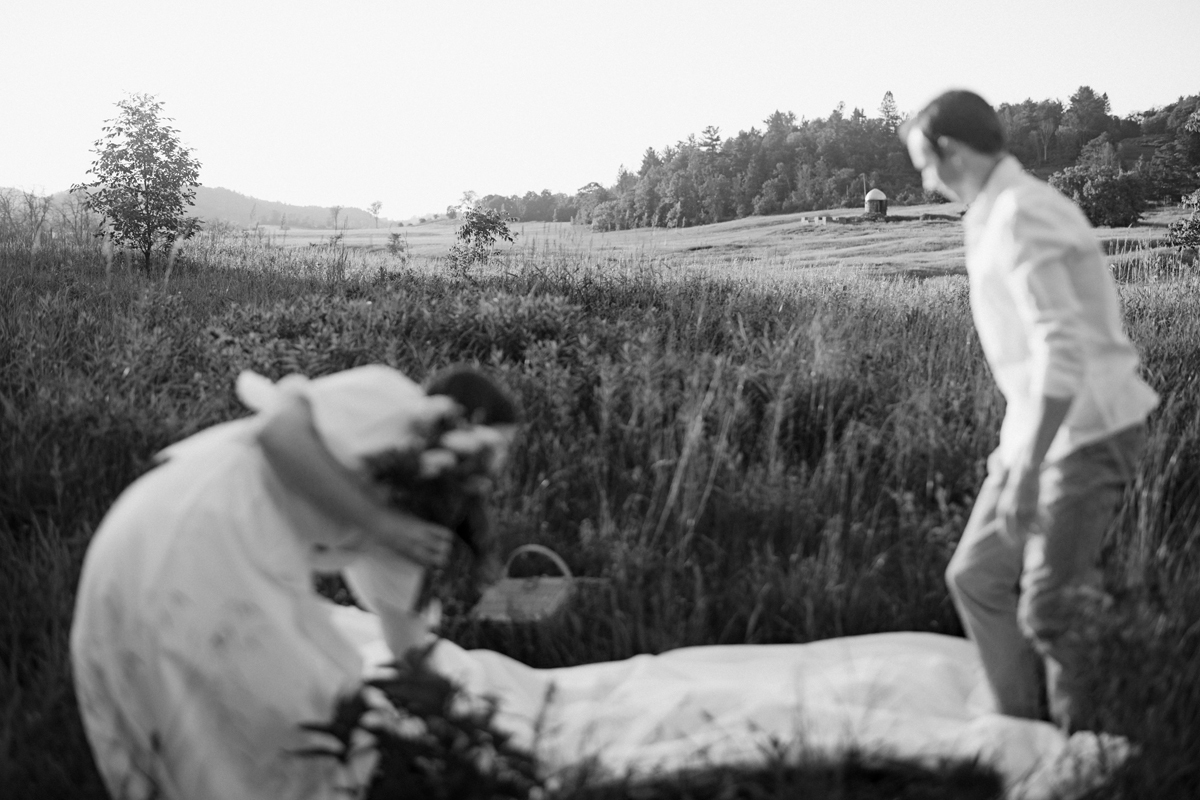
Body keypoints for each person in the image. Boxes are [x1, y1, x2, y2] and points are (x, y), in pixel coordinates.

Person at [70, 363, 518, 800]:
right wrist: (376, 521)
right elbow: (278, 434)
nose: (490, 475)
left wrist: (450, 727)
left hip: (243, 553)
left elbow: (407, 644)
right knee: (276, 709)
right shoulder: (392, 400)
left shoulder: (417, 517)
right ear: (457, 422)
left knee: (297, 718)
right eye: (493, 451)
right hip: (202, 511)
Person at [900, 90, 1159, 732]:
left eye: (924, 166)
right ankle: (1019, 731)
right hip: (1037, 429)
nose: (926, 182)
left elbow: (1061, 352)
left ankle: (1086, 759)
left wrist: (1027, 469)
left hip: (1089, 431)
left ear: (951, 151)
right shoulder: (987, 214)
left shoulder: (1024, 214)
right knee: (976, 578)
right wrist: (1016, 456)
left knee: (1052, 610)